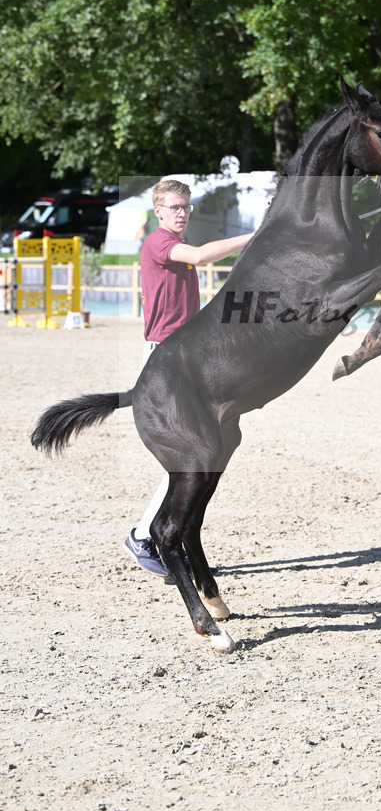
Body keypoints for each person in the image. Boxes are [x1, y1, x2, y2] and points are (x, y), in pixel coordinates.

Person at [123, 178, 254, 577]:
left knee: (199, 453)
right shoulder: (158, 243)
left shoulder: (169, 244)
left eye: (186, 206)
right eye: (174, 207)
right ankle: (145, 536)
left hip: (185, 356)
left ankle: (152, 533)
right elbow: (199, 257)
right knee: (190, 458)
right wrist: (253, 236)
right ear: (159, 212)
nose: (181, 213)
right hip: (166, 359)